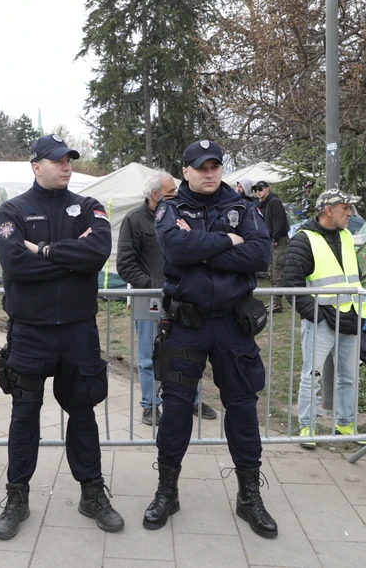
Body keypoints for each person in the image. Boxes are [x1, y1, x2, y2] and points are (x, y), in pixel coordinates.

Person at [0, 133, 124, 540]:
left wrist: (45, 251)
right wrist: (71, 257)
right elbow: (17, 265)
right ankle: (17, 497)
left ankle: (92, 493)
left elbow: (97, 253)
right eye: (58, 160)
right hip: (31, 332)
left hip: (78, 331)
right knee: (24, 415)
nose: (67, 166)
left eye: (69, 160)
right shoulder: (13, 210)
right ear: (37, 166)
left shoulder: (89, 206)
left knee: (83, 413)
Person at [144, 139, 277, 538]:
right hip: (186, 325)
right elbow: (175, 248)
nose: (209, 173)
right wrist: (229, 241)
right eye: (201, 167)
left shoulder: (243, 207)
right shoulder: (171, 208)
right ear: (185, 171)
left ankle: (249, 496)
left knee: (242, 408)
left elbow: (260, 256)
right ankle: (167, 492)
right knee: (176, 411)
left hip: (233, 326)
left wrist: (201, 250)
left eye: (214, 166)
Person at [116, 172, 217, 426]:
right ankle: (150, 405)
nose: (177, 196)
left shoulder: (182, 215)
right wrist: (153, 287)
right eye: (171, 192)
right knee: (148, 355)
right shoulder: (134, 220)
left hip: (183, 297)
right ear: (155, 195)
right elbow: (125, 264)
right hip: (149, 298)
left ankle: (193, 400)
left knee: (189, 351)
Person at [284, 189, 366, 449]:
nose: (350, 213)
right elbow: (292, 285)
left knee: (349, 376)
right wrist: (316, 315)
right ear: (329, 210)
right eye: (345, 208)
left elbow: (352, 276)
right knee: (312, 375)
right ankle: (307, 426)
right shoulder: (303, 239)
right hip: (321, 320)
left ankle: (345, 423)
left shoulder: (346, 236)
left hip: (350, 315)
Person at [253, 180, 291, 313]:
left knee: (278, 271)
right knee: (273, 272)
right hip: (271, 241)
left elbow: (279, 221)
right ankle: (275, 301)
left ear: (267, 188)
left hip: (279, 241)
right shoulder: (264, 204)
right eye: (256, 189)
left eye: (260, 189)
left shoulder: (274, 201)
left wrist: (275, 237)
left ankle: (277, 303)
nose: (258, 191)